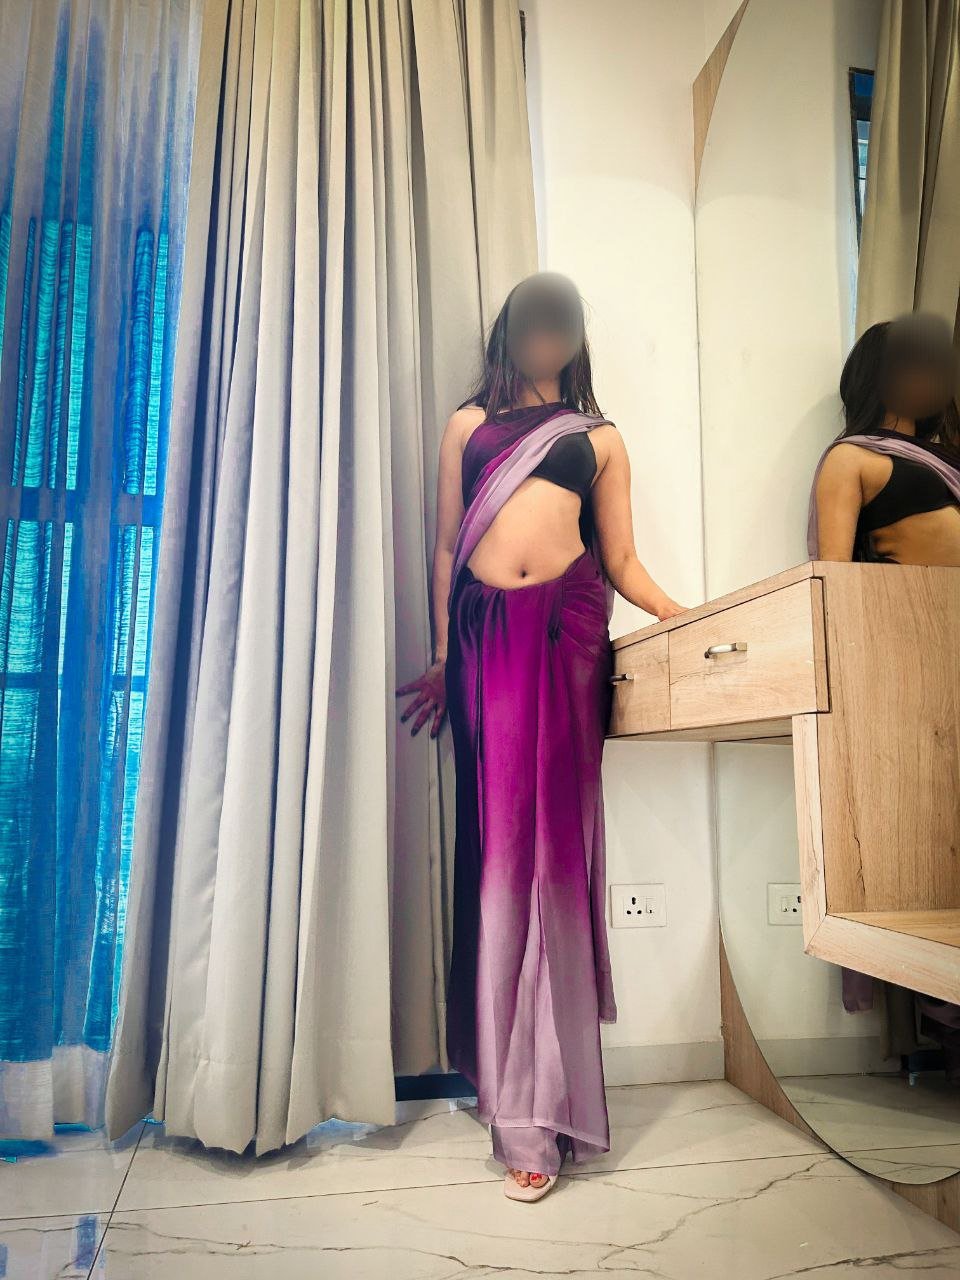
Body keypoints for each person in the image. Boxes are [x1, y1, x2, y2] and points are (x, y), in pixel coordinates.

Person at [397, 271, 685, 1200]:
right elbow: (447, 547)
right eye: (535, 321)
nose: (547, 335)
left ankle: (540, 1111)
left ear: (576, 336)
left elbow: (623, 558)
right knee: (502, 859)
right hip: (485, 643)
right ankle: (510, 1087)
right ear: (509, 330)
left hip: (567, 633)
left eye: (563, 322)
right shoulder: (467, 425)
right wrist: (443, 655)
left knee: (553, 859)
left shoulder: (599, 439)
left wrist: (682, 617)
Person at [808, 311, 960, 1082]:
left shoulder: (951, 457)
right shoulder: (854, 459)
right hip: (918, 664)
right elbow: (832, 580)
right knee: (932, 851)